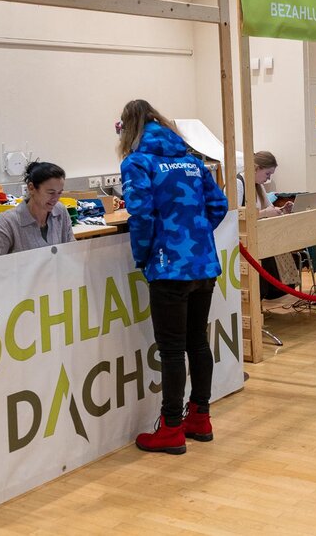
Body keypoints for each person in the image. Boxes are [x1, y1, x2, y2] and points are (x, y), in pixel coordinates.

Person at [117, 99, 228, 456]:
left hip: (168, 267)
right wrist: (195, 235)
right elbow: (219, 205)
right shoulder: (193, 162)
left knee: (170, 350)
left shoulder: (138, 163)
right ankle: (200, 417)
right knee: (197, 341)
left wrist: (145, 254)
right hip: (203, 265)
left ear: (129, 128)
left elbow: (141, 214)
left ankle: (171, 428)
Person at [0, 161, 74, 258]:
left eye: (59, 193)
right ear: (31, 188)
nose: (56, 198)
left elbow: (72, 250)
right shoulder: (8, 221)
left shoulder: (60, 211)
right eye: (51, 192)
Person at [240, 151, 300, 300]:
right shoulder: (238, 184)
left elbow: (267, 210)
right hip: (245, 240)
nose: (268, 179)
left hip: (260, 234)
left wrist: (281, 210)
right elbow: (235, 217)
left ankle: (279, 286)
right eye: (267, 174)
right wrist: (265, 213)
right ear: (256, 168)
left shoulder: (257, 186)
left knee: (281, 244)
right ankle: (268, 290)